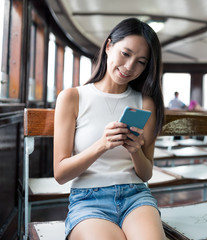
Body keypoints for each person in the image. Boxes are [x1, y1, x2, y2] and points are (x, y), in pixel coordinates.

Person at [53, 18, 166, 240]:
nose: (130, 67)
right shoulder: (72, 97)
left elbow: (146, 173)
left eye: (141, 61)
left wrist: (135, 151)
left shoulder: (146, 103)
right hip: (88, 200)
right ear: (108, 46)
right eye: (126, 53)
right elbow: (60, 174)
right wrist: (101, 145)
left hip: (135, 196)